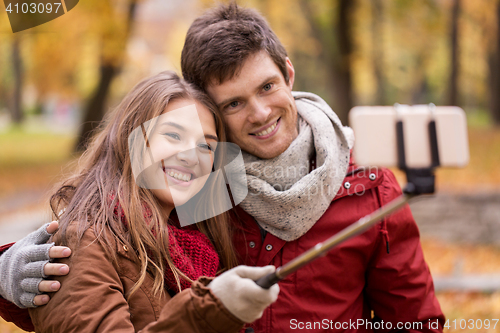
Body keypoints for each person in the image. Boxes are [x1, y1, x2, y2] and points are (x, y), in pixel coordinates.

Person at [0, 3, 444, 332]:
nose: (259, 113)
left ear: (288, 74)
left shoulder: (369, 186)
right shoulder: (206, 187)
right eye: (233, 103)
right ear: (209, 109)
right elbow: (102, 263)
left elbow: (413, 320)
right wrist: (8, 272)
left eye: (267, 86)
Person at [0, 71, 279, 332]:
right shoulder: (85, 242)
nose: (191, 156)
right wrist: (211, 311)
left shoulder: (199, 246)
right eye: (172, 135)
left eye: (206, 146)